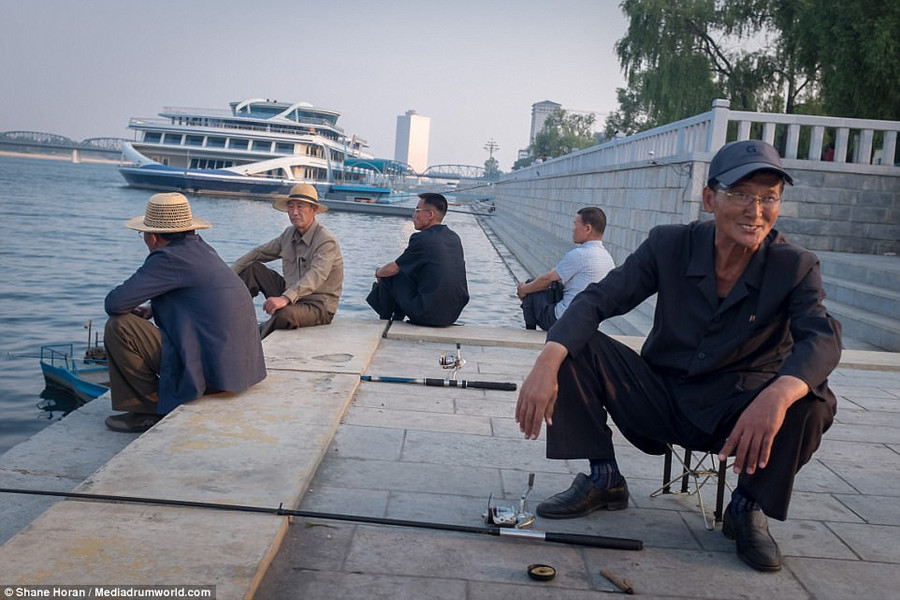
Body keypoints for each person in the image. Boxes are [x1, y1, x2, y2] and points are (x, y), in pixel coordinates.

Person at [514, 140, 842, 573]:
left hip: (739, 414)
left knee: (814, 399)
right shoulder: (669, 245)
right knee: (577, 346)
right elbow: (598, 299)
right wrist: (547, 359)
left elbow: (822, 337)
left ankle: (747, 505)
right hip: (660, 396)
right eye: (741, 195)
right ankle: (605, 478)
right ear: (710, 198)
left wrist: (779, 393)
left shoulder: (794, 265)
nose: (755, 210)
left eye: (768, 198)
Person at [104, 193, 267, 433]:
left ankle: (147, 410)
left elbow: (115, 303)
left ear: (153, 237)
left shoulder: (167, 257)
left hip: (211, 376)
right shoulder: (201, 249)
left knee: (119, 327)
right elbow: (197, 301)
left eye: (144, 234)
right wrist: (152, 309)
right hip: (240, 371)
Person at [232, 183, 343, 338]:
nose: (294, 212)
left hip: (317, 306)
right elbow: (258, 252)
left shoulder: (325, 240)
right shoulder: (289, 234)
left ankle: (253, 338)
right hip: (290, 294)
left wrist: (285, 298)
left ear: (314, 210)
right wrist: (229, 274)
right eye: (291, 207)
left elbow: (316, 276)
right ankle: (229, 320)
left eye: (300, 207)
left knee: (284, 314)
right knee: (253, 269)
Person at [366, 192, 469, 326]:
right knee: (407, 272)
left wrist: (377, 273)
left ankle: (386, 321)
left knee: (389, 276)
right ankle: (395, 317)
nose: (413, 215)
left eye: (417, 210)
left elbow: (393, 269)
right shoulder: (454, 237)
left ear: (430, 215)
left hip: (428, 315)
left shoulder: (421, 239)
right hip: (452, 314)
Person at [516, 207, 615, 331]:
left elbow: (547, 279)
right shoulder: (608, 259)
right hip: (590, 323)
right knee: (539, 287)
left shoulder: (580, 254)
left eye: (575, 224)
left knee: (530, 288)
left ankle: (529, 333)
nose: (573, 229)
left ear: (587, 228)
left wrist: (523, 289)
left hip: (563, 322)